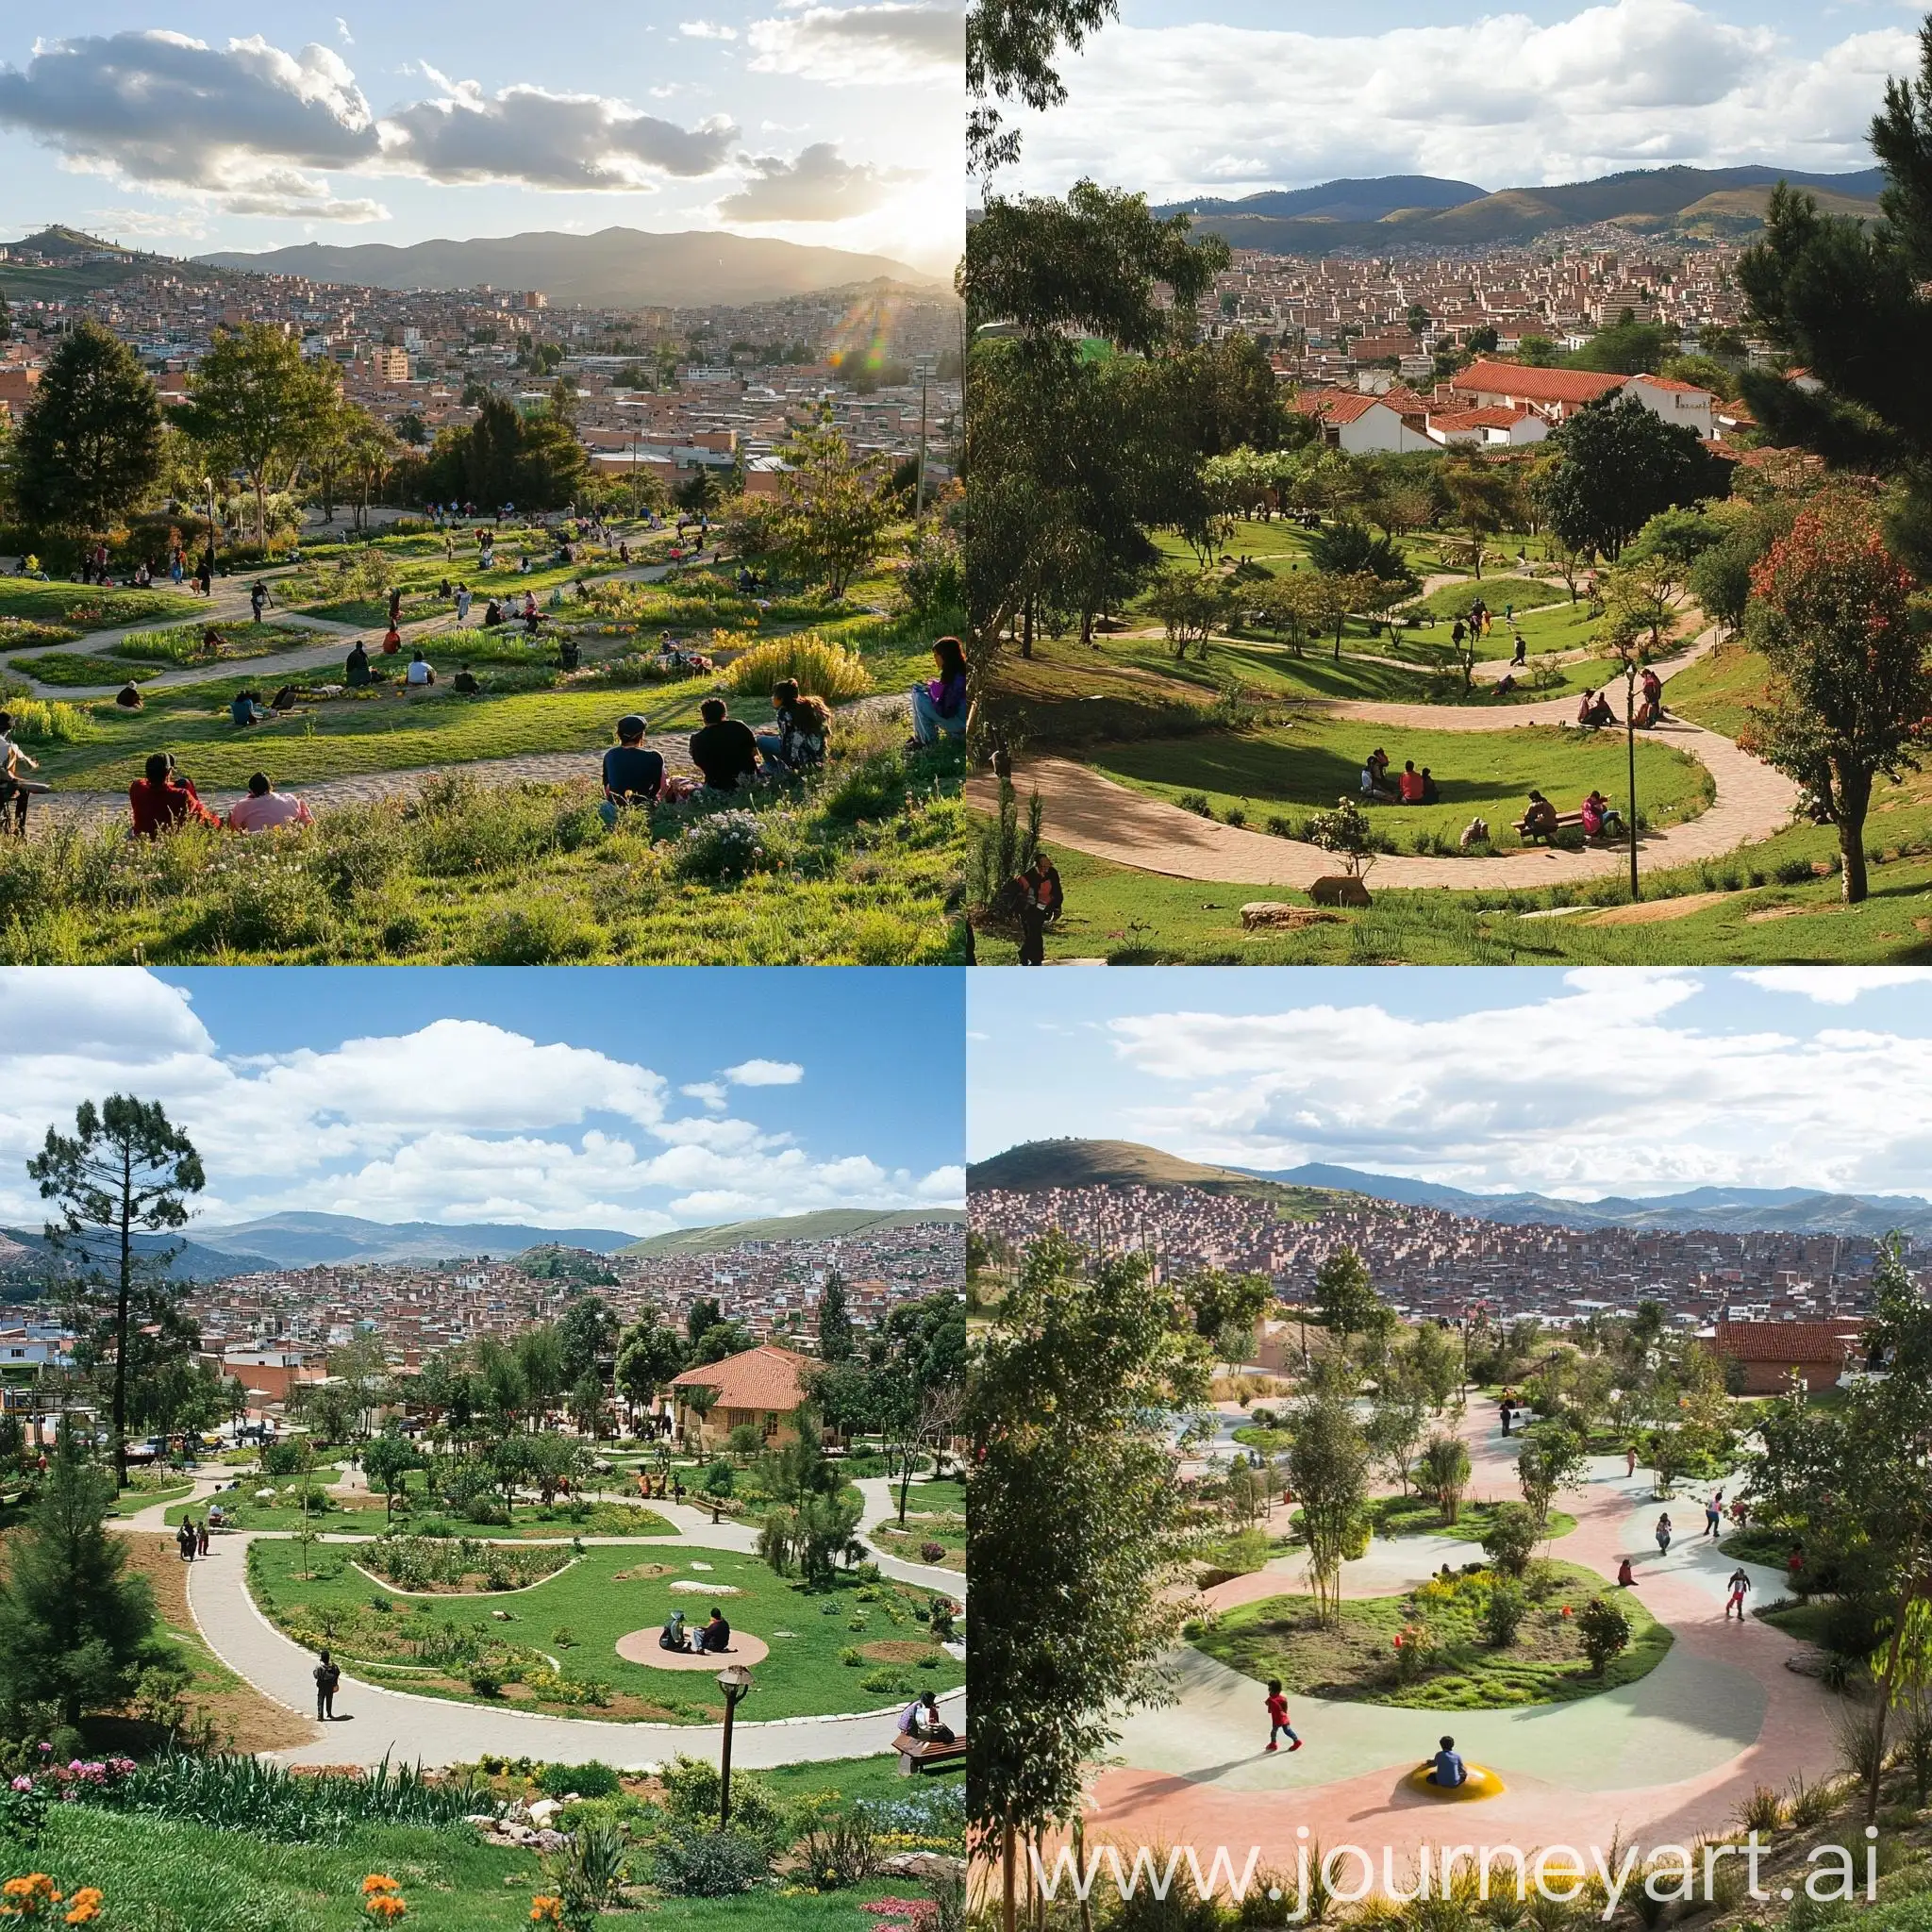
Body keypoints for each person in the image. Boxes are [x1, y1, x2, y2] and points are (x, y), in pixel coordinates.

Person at [129, 753, 219, 837]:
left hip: (142, 836)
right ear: (168, 772)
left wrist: (170, 783)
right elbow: (200, 815)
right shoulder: (181, 795)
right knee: (186, 785)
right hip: (170, 838)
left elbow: (150, 785)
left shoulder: (136, 787)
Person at [600, 714, 664, 827]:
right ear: (641, 735)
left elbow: (607, 788)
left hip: (613, 810)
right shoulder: (654, 756)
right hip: (643, 808)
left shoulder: (610, 755)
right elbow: (658, 787)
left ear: (618, 735)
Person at [758, 678, 831, 774]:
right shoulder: (808, 706)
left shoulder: (784, 713)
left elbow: (786, 740)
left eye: (774, 695)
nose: (772, 698)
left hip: (799, 759)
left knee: (760, 741)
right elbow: (796, 732)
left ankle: (773, 768)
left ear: (781, 698)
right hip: (819, 755)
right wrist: (772, 733)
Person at [690, 696, 761, 791]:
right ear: (724, 714)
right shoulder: (739, 726)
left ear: (703, 717)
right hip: (748, 780)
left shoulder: (696, 739)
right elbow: (754, 752)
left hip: (718, 787)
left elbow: (700, 763)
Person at [909, 636, 967, 748]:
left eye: (936, 655)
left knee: (919, 698)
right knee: (917, 691)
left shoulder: (959, 678)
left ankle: (927, 742)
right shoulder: (956, 671)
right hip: (959, 720)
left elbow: (945, 711)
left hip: (961, 725)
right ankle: (921, 739)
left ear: (945, 655)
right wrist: (934, 687)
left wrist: (933, 694)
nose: (935, 658)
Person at [0, 716, 51, 834]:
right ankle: (19, 829)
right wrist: (13, 779)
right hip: (3, 787)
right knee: (23, 792)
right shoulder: (8, 746)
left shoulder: (9, 746)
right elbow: (28, 763)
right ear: (8, 730)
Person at [1014, 850, 1062, 966]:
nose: (1047, 868)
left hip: (1044, 908)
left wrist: (1057, 907)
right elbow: (1019, 893)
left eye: (1049, 864)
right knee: (1033, 933)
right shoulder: (1028, 876)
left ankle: (1032, 957)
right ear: (1037, 865)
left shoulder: (1052, 873)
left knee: (1035, 933)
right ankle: (1031, 957)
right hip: (1029, 909)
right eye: (1044, 866)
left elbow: (1057, 891)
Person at [227, 773, 313, 834]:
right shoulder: (288, 799)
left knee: (233, 816)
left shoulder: (243, 805)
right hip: (284, 834)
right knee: (301, 804)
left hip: (255, 837)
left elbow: (236, 824)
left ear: (252, 791)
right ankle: (311, 830)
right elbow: (296, 810)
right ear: (270, 787)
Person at [1264, 1677, 1302, 1753]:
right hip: (1283, 1718)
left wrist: (1269, 1702)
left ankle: (1274, 1744)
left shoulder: (1272, 1699)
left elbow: (1267, 1703)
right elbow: (1285, 1708)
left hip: (1278, 1719)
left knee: (1275, 1731)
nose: (1269, 1692)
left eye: (1270, 1690)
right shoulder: (1281, 1698)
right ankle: (1296, 1741)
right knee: (1287, 1730)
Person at [313, 1649, 340, 1721]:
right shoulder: (333, 1666)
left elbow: (316, 1676)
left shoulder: (319, 1666)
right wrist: (335, 1684)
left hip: (322, 1685)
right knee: (329, 1699)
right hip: (330, 1685)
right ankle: (329, 1713)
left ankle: (320, 1716)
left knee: (320, 1701)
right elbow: (337, 1674)